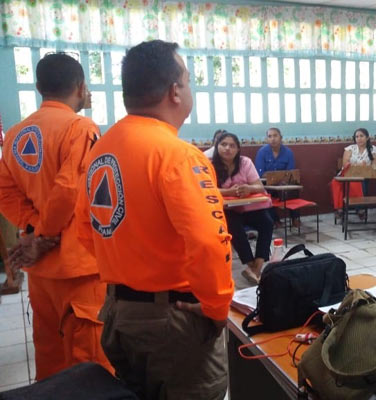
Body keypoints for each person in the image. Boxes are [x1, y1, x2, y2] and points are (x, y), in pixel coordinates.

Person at [74, 40, 233, 399]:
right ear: (175, 91)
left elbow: (85, 230)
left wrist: (128, 266)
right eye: (188, 81)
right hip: (172, 319)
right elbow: (209, 242)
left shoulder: (100, 150)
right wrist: (217, 306)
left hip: (118, 314)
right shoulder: (178, 156)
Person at [0, 53, 112, 380]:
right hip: (77, 267)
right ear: (80, 86)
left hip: (42, 272)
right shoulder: (81, 127)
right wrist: (46, 235)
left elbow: (5, 194)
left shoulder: (16, 135)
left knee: (49, 357)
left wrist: (34, 230)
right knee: (90, 366)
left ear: (38, 87)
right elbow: (69, 189)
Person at [213, 132, 274, 285]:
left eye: (232, 145)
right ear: (217, 146)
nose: (228, 149)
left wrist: (248, 188)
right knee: (234, 226)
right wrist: (229, 192)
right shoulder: (209, 164)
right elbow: (208, 190)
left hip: (249, 207)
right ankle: (250, 265)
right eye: (223, 144)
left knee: (267, 222)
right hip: (226, 211)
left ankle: (257, 267)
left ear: (238, 149)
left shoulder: (245, 162)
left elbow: (259, 186)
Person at [254, 127, 298, 227]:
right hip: (267, 184)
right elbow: (260, 173)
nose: (272, 139)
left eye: (275, 136)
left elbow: (290, 172)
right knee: (266, 194)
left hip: (284, 183)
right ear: (267, 139)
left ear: (281, 137)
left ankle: (295, 218)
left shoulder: (288, 152)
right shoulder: (262, 152)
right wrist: (277, 176)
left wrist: (280, 178)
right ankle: (275, 220)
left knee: (294, 190)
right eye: (270, 136)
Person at [342, 127, 376, 196]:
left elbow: (374, 167)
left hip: (365, 175)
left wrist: (365, 168)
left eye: (361, 136)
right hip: (349, 174)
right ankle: (358, 204)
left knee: (361, 179)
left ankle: (359, 204)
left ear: (367, 138)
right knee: (357, 179)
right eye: (357, 137)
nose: (359, 139)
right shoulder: (350, 149)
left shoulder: (374, 150)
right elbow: (345, 165)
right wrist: (358, 165)